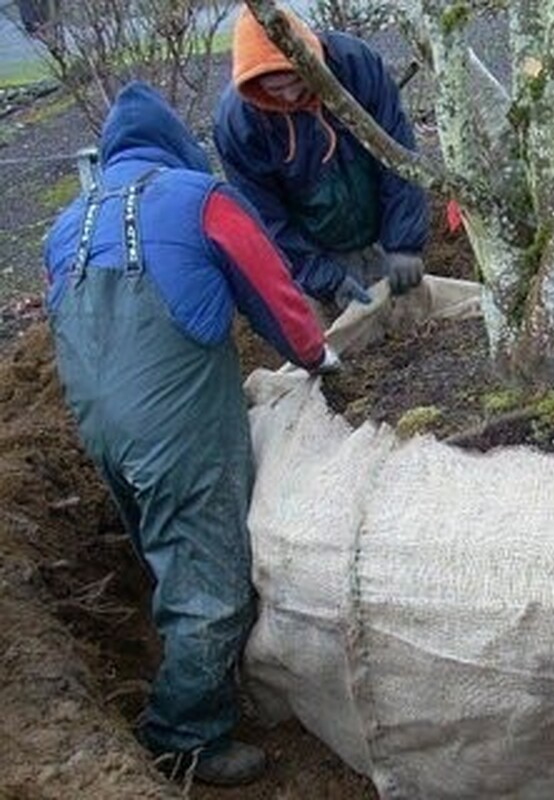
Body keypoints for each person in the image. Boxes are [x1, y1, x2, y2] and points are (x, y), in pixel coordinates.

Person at [43, 81, 338, 787]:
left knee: (165, 548)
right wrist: (318, 357)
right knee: (213, 585)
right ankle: (184, 735)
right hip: (174, 425)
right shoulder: (199, 198)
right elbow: (273, 296)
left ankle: (184, 650)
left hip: (101, 426)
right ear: (176, 144)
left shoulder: (66, 228)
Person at [214, 5, 430, 316]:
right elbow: (266, 218)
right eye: (275, 89)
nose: (289, 96)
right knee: (328, 342)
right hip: (314, 245)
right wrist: (324, 279)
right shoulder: (240, 124)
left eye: (297, 81)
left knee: (406, 312)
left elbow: (398, 158)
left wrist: (404, 242)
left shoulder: (355, 65)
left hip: (380, 223)